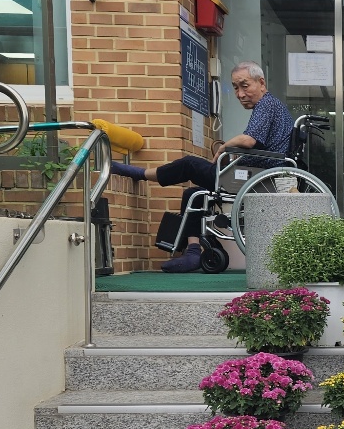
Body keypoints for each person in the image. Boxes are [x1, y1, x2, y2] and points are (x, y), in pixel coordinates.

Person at [110, 60, 293, 272]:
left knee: (189, 164)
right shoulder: (272, 106)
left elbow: (249, 140)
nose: (240, 94)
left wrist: (225, 147)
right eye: (235, 88)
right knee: (193, 194)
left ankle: (140, 173)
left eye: (245, 86)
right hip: (253, 174)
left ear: (261, 83)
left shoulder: (266, 105)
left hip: (254, 177)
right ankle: (193, 252)